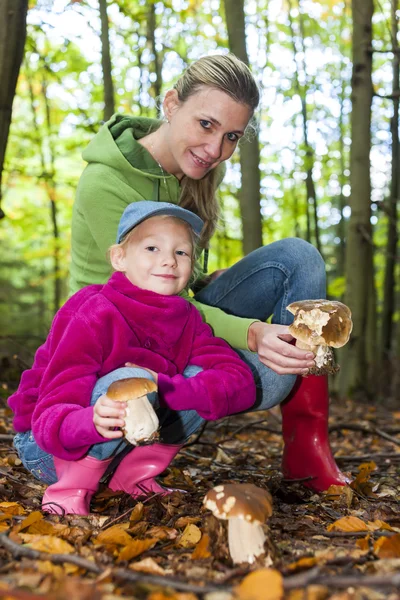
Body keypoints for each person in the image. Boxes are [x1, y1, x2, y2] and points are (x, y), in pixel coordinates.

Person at [8, 201, 256, 515]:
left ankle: (134, 477)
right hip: (52, 445)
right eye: (152, 248)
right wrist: (89, 421)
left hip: (119, 449)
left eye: (181, 252)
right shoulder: (94, 311)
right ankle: (69, 491)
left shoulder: (188, 319)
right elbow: (51, 410)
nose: (168, 260)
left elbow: (240, 382)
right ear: (119, 257)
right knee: (127, 382)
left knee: (193, 377)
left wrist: (166, 387)